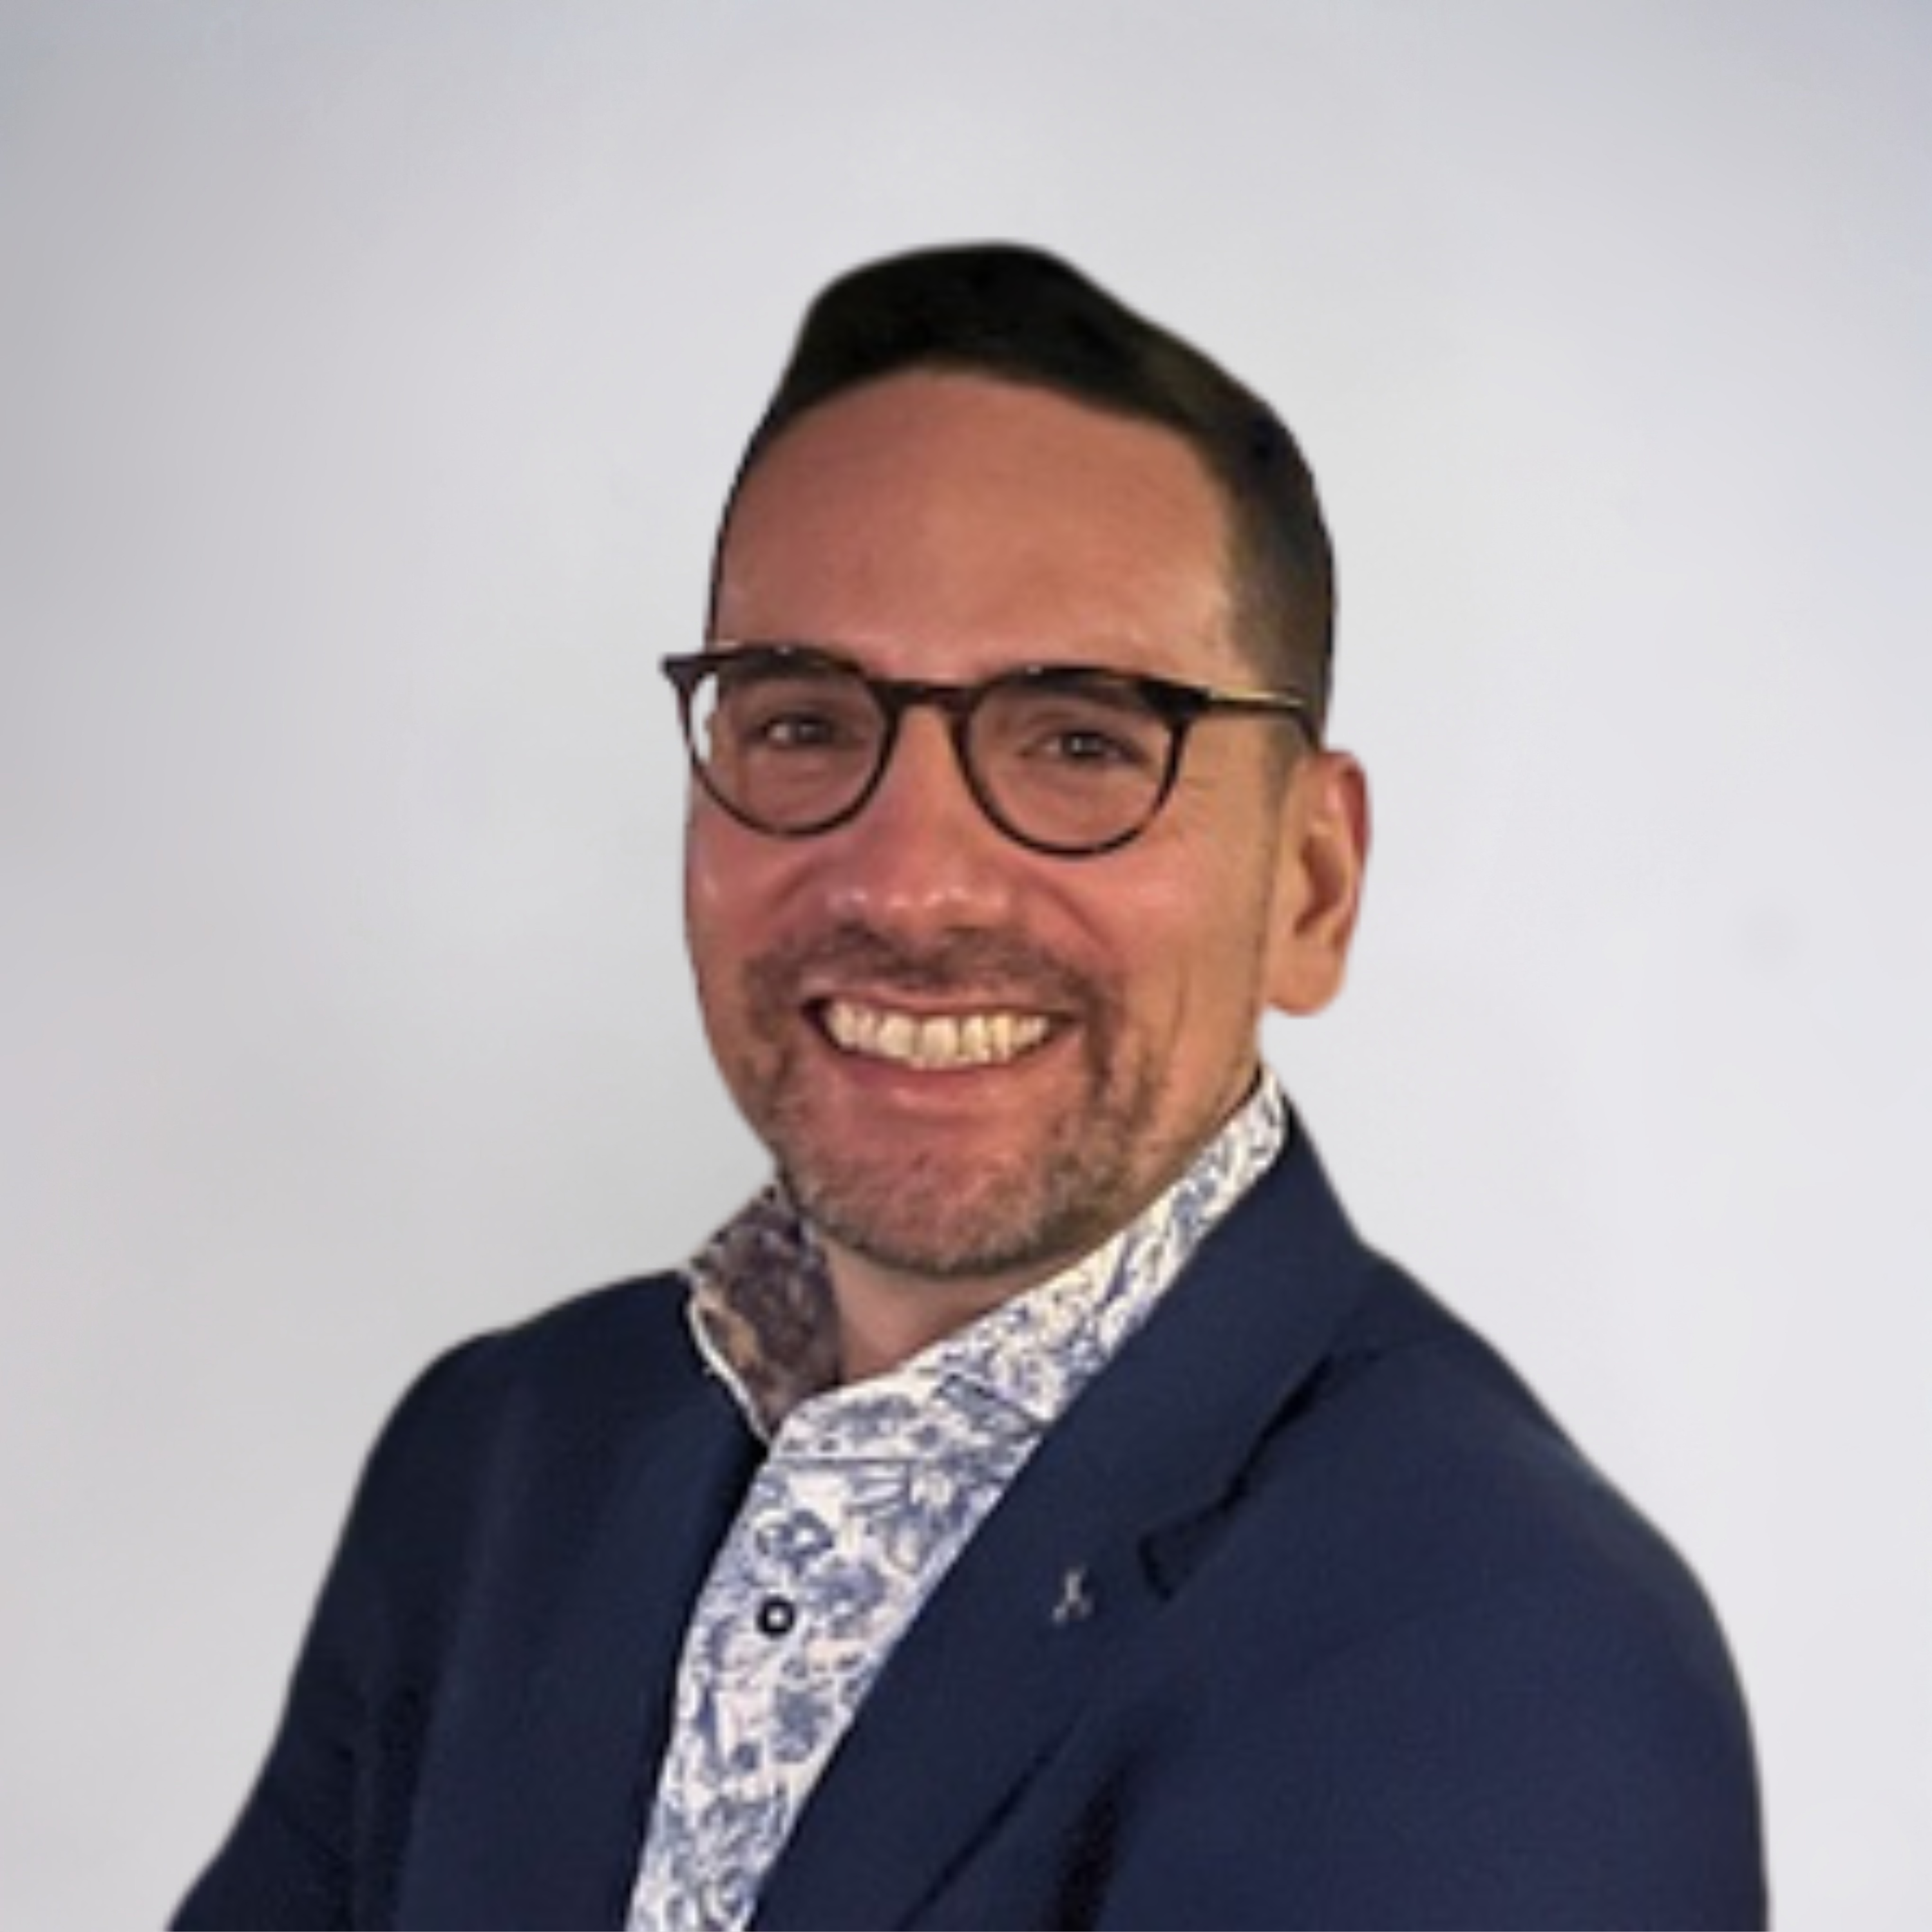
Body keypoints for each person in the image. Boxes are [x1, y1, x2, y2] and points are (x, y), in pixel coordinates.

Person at [175, 244, 1766, 1930]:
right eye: (803, 722)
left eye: (1081, 743)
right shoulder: (496, 1463)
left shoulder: (1506, 1663)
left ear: (1310, 885)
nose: (909, 883)